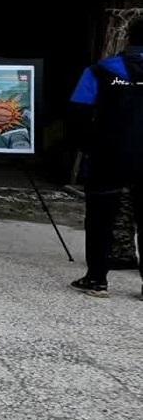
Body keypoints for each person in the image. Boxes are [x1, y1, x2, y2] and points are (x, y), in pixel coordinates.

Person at [68, 17, 143, 297]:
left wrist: (86, 147)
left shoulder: (100, 70)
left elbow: (77, 113)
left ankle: (97, 279)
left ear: (128, 37)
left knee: (100, 218)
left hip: (108, 155)